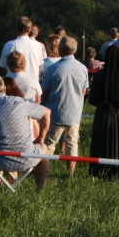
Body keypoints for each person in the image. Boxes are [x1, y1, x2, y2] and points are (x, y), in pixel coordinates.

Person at [0, 73, 51, 190]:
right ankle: (41, 189)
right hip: (27, 158)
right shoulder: (19, 102)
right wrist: (41, 138)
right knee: (44, 149)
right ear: (5, 88)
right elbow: (47, 113)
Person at [88, 45, 119, 180]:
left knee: (102, 142)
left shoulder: (99, 76)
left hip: (103, 115)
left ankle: (101, 171)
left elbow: (92, 99)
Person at [41, 36, 89, 174]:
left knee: (50, 143)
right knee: (72, 143)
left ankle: (44, 171)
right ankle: (71, 172)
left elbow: (45, 91)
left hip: (56, 111)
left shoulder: (54, 69)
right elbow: (84, 91)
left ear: (60, 50)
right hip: (74, 111)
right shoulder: (82, 68)